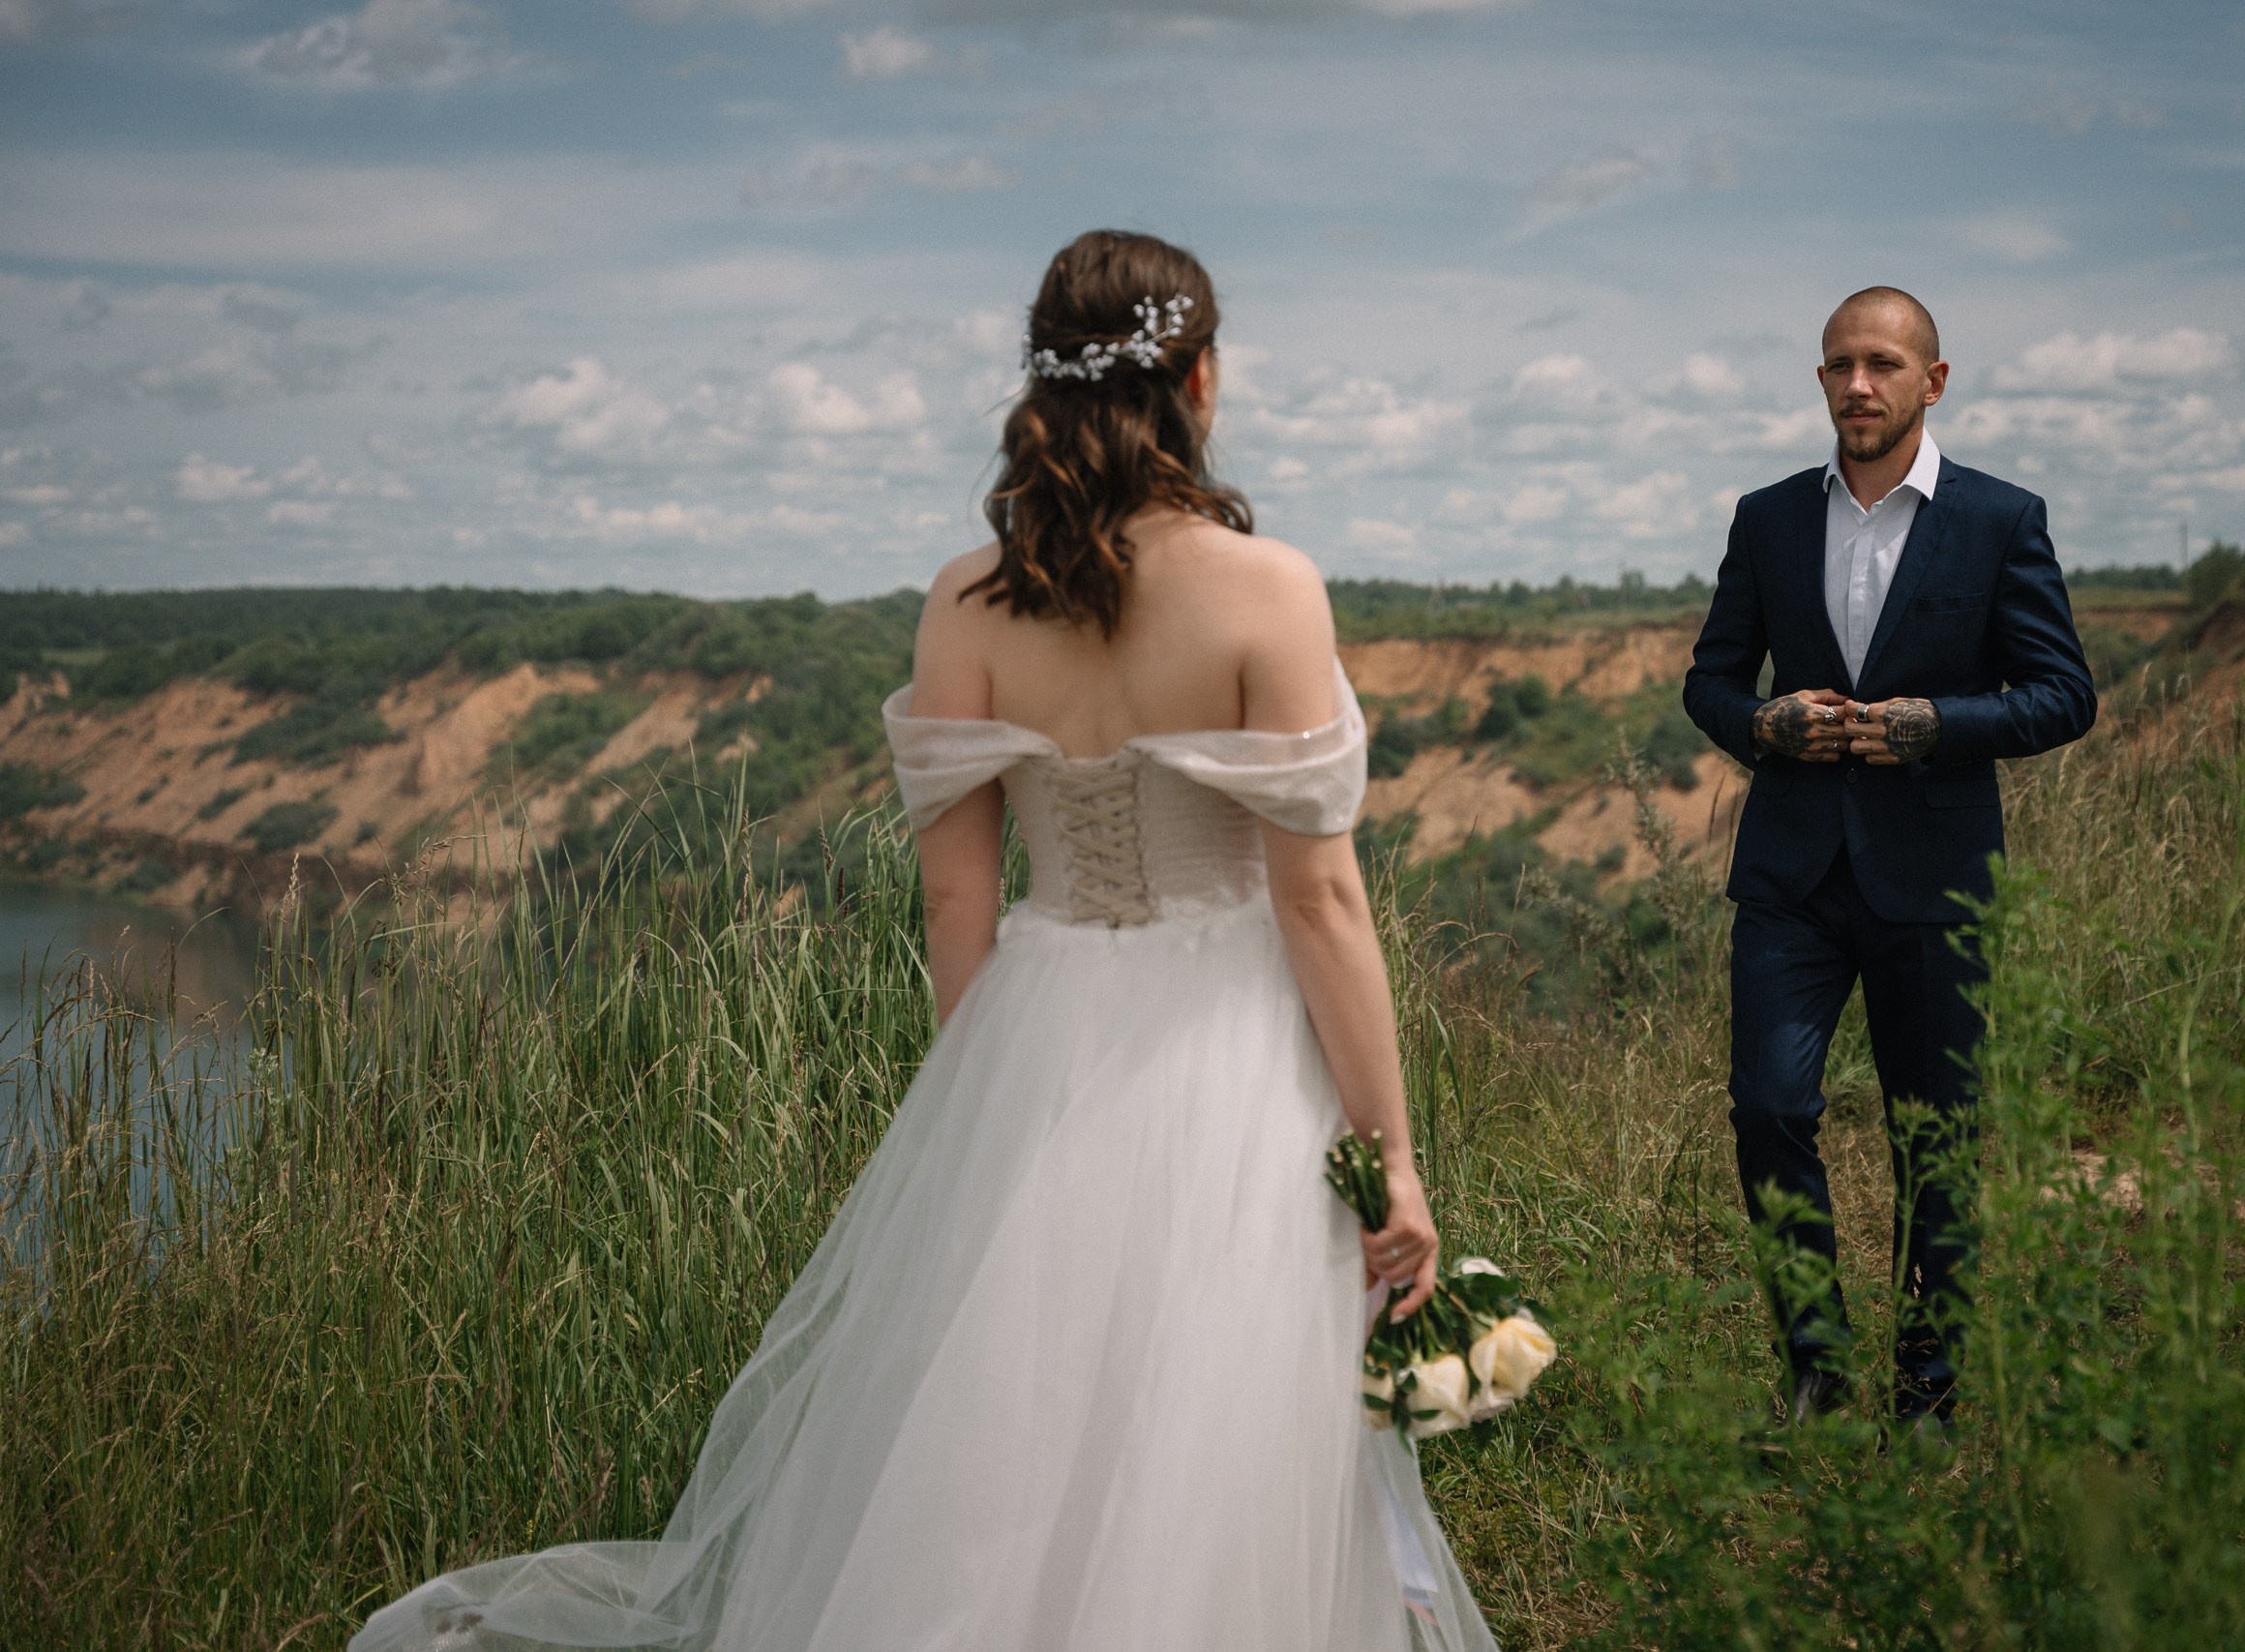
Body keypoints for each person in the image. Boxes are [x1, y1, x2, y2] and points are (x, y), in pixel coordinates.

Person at [352, 230, 1497, 1651]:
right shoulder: (1267, 589)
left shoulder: (965, 602)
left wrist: (982, 1098)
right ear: (1198, 376)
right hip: (1230, 1039)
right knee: (1213, 1398)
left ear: (1044, 384)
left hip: (1043, 1022)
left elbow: (957, 902)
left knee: (1014, 1410)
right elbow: (1318, 901)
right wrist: (1390, 1152)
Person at [1682, 286, 2096, 1430]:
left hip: (1938, 878)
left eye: (1879, 364)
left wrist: (1941, 725)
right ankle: (1815, 1367)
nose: (1856, 385)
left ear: (1933, 380)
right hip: (1790, 877)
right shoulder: (1765, 517)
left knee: (1935, 1135)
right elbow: (1709, 681)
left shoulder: (2001, 519)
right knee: (1768, 1107)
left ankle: (1927, 1389)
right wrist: (1761, 725)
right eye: (1836, 366)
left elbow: (2065, 695)